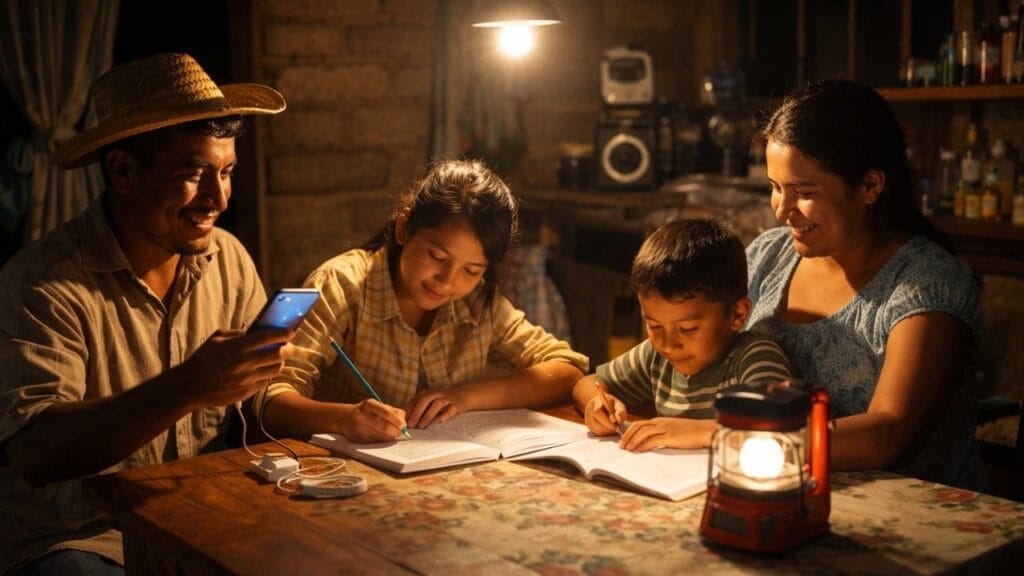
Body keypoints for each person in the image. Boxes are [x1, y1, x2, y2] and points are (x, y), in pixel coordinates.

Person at [0, 53, 291, 575]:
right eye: (194, 173)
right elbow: (36, 449)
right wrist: (188, 386)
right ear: (124, 171)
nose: (217, 198)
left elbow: (254, 400)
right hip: (81, 540)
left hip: (202, 522)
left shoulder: (226, 258)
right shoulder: (41, 283)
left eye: (226, 172)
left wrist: (347, 420)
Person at [746, 78, 986, 490]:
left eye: (804, 192)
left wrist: (733, 439)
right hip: (783, 490)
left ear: (870, 186)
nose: (783, 210)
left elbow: (888, 434)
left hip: (913, 522)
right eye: (775, 188)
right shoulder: (768, 256)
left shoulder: (927, 285)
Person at [254, 159, 588, 443]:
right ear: (404, 227)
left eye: (471, 270)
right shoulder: (342, 285)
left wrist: (465, 397)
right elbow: (269, 400)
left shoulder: (477, 303)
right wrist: (344, 420)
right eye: (437, 256)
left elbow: (566, 368)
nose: (448, 282)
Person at [572, 218, 791, 452]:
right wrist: (598, 405)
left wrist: (702, 432)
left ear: (737, 314)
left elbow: (782, 426)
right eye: (654, 326)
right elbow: (586, 384)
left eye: (688, 329)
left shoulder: (754, 357)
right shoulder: (655, 357)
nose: (668, 345)